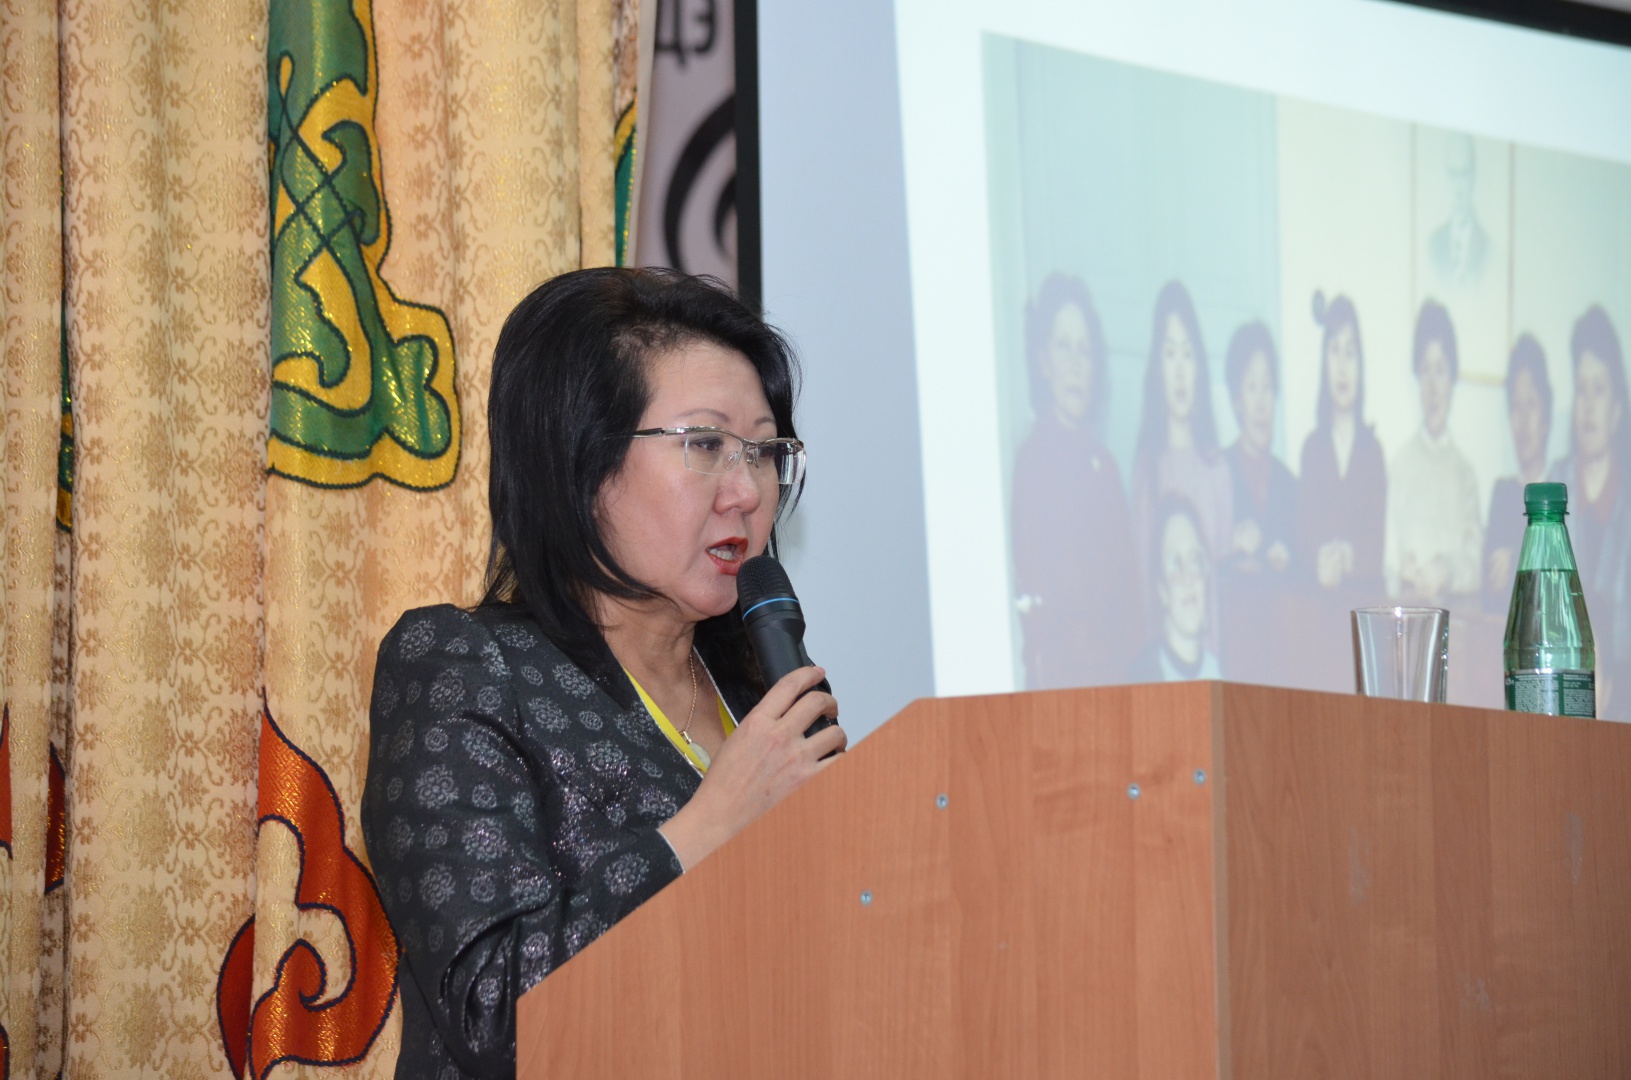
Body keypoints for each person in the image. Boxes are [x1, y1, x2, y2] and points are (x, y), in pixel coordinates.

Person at [360, 268, 847, 1079]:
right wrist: (707, 828)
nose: (745, 490)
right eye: (705, 445)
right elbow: (492, 1011)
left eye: (763, 451)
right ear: (582, 463)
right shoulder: (466, 665)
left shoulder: (760, 689)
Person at [1010, 273, 1142, 688]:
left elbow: (1130, 593)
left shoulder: (1107, 467)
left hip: (1116, 679)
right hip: (1060, 683)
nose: (1075, 364)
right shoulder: (1031, 461)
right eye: (1064, 346)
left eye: (1085, 351)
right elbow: (1038, 592)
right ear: (1043, 362)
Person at [1551, 305, 1631, 714]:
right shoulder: (1553, 490)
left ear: (1617, 409)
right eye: (1581, 389)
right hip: (1562, 695)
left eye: (1599, 390)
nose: (1588, 405)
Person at [1131, 281, 1233, 590]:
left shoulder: (1217, 469)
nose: (1179, 372)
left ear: (1199, 368)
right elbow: (1143, 582)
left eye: (1187, 354)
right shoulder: (1147, 469)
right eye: (1170, 354)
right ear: (1157, 367)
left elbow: (1225, 584)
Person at [1383, 300, 1483, 603]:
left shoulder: (1465, 474)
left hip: (1457, 622)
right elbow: (1387, 564)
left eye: (1440, 371)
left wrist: (1448, 571)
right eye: (1425, 370)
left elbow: (1475, 567)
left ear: (1453, 379)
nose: (1432, 386)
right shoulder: (1400, 464)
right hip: (1408, 618)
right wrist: (1401, 574)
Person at [1296, 291, 1387, 596]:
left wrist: (1351, 557)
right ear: (1324, 363)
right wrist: (1318, 560)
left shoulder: (1373, 453)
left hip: (1364, 605)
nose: (1342, 367)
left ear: (1361, 366)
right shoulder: (1312, 450)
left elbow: (1379, 547)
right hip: (1318, 603)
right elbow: (1303, 540)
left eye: (1350, 352)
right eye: (1334, 351)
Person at [1222, 321, 1296, 580]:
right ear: (1237, 401)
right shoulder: (1217, 474)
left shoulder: (1290, 484)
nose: (1261, 403)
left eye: (1267, 387)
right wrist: (1229, 541)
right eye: (1251, 387)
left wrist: (1289, 559)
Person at [1484, 334, 1553, 609]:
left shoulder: (1560, 490)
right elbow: (1491, 587)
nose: (1523, 421)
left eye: (1531, 404)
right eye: (1516, 407)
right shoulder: (1502, 493)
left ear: (1546, 417)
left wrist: (1515, 560)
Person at [1129, 494, 1222, 682]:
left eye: (1194, 560)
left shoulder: (1218, 670)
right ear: (1162, 590)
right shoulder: (1145, 673)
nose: (1188, 578)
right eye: (1176, 564)